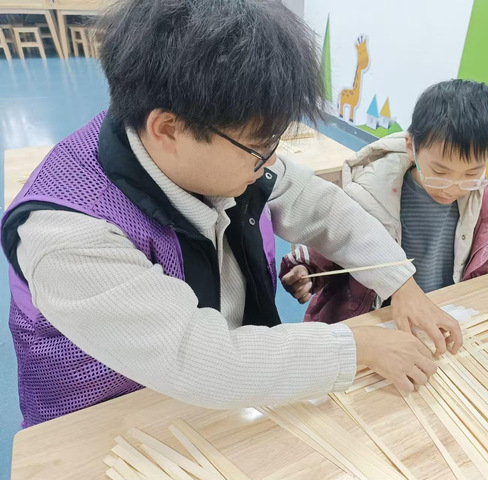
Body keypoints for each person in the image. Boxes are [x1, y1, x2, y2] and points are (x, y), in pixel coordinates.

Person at [1, 0, 462, 427]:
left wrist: (400, 283)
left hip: (220, 401)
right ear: (168, 128)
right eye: (259, 146)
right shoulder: (68, 236)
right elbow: (199, 359)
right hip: (111, 424)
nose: (270, 160)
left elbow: (320, 204)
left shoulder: (215, 152)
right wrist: (357, 347)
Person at [281, 79, 488, 359]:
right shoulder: (370, 194)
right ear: (411, 147)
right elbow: (341, 239)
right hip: (378, 326)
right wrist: (309, 268)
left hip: (446, 323)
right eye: (439, 171)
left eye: (472, 173)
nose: (453, 187)